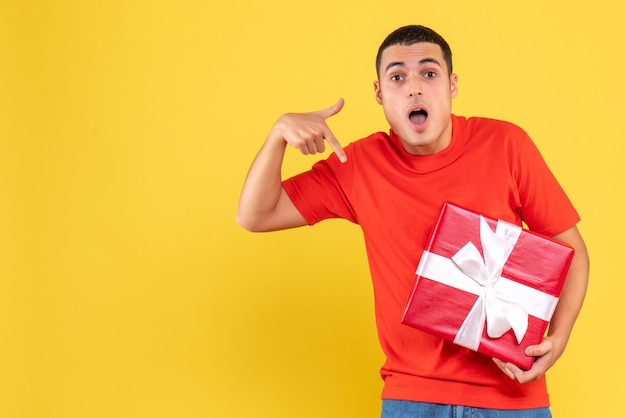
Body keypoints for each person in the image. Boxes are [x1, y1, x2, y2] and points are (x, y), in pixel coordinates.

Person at [237, 25, 589, 418]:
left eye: (429, 73)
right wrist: (278, 136)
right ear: (379, 94)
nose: (414, 88)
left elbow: (572, 250)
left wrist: (558, 338)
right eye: (398, 77)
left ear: (452, 85)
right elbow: (255, 214)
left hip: (510, 396)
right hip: (412, 399)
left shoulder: (506, 145)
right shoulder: (358, 166)